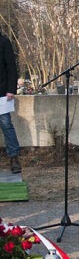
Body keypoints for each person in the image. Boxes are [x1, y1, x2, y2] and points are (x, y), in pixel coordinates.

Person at [0, 31, 21, 174]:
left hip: (2, 93)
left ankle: (14, 157)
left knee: (6, 125)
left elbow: (11, 66)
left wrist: (10, 89)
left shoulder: (4, 42)